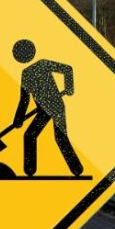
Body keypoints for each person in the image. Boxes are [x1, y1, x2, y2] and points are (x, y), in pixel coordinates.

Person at [11, 39, 83, 177]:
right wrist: (18, 119)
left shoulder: (42, 64)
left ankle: (77, 169)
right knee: (30, 135)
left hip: (55, 106)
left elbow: (67, 69)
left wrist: (69, 87)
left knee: (60, 137)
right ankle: (30, 171)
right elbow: (24, 99)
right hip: (43, 109)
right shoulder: (26, 73)